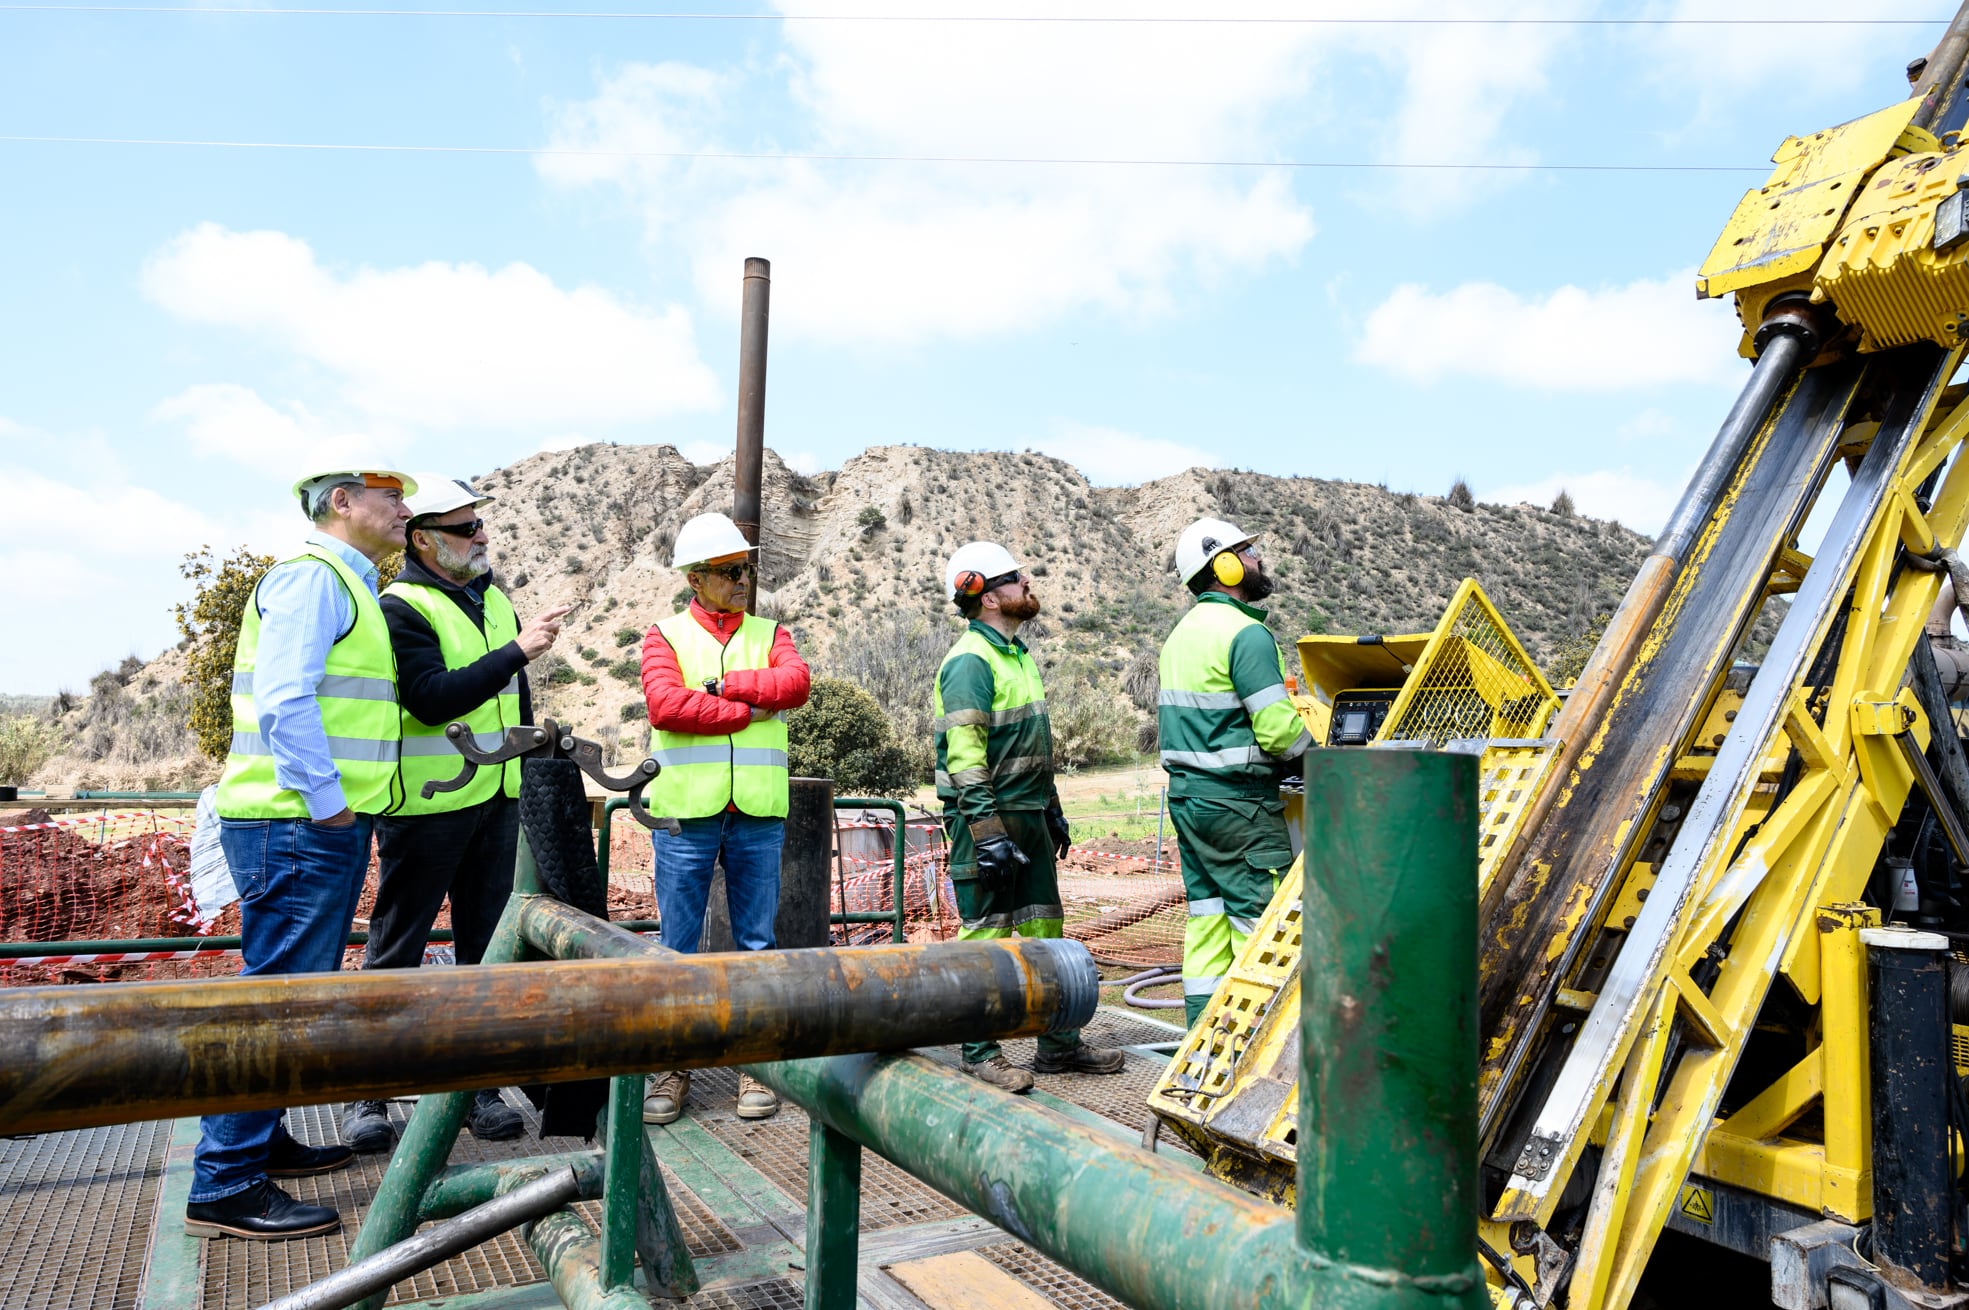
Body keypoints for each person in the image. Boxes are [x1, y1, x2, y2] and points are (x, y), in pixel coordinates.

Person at [184, 466, 415, 1241]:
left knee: (283, 995)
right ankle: (224, 1183)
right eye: (391, 499)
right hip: (298, 823)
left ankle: (257, 1142)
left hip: (305, 825)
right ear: (341, 503)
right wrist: (332, 805)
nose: (405, 512)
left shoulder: (342, 586)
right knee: (274, 1003)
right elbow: (286, 701)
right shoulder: (314, 581)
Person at [338, 476, 571, 1154]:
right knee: (395, 952)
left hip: (496, 803)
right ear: (424, 538)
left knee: (486, 951)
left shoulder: (492, 598)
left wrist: (527, 777)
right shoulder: (400, 606)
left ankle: (478, 1090)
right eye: (467, 529)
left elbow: (513, 703)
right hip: (429, 804)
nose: (482, 537)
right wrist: (516, 652)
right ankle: (369, 1095)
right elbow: (429, 700)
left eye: (480, 526)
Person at [933, 541, 1126, 1093]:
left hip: (1029, 815)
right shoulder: (970, 661)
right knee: (985, 938)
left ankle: (1059, 1045)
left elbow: (1031, 745)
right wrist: (988, 834)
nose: (1027, 585)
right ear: (990, 597)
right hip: (984, 822)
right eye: (1017, 579)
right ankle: (979, 1052)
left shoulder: (1016, 655)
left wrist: (1053, 807)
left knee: (1046, 931)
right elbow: (966, 756)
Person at [638, 512, 811, 1125]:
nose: (743, 580)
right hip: (686, 813)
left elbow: (795, 683)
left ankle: (753, 1066)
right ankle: (672, 1066)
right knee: (676, 949)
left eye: (745, 569)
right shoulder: (663, 634)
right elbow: (665, 704)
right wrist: (743, 711)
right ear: (694, 578)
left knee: (757, 943)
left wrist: (724, 685)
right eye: (729, 571)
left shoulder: (772, 631)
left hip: (757, 812)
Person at [1157, 517, 1313, 1028]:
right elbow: (1278, 731)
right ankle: (1261, 1049)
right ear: (1222, 564)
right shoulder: (1246, 633)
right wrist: (1324, 763)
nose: (1256, 560)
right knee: (1261, 924)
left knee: (1206, 923)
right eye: (1246, 551)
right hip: (1240, 806)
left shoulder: (1179, 637)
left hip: (1189, 802)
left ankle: (1202, 1046)